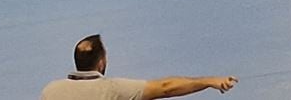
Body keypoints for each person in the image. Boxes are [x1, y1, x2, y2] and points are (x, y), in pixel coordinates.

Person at [39, 33, 237, 99]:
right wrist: (209, 81)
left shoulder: (51, 91)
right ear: (101, 62)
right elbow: (166, 87)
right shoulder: (111, 90)